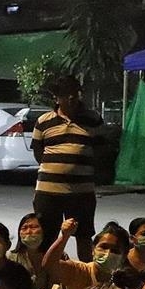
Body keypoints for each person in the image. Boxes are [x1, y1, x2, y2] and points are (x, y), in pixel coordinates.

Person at [31, 75, 104, 261]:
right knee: (45, 238)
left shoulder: (93, 120)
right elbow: (38, 153)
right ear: (57, 98)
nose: (71, 97)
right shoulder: (43, 121)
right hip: (48, 192)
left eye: (74, 93)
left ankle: (86, 276)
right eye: (66, 94)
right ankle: (46, 275)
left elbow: (101, 150)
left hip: (82, 192)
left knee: (84, 236)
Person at [43, 219, 130, 289]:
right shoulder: (78, 270)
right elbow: (49, 265)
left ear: (124, 257)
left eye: (115, 250)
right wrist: (65, 236)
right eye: (103, 247)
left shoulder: (124, 282)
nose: (108, 253)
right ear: (93, 249)